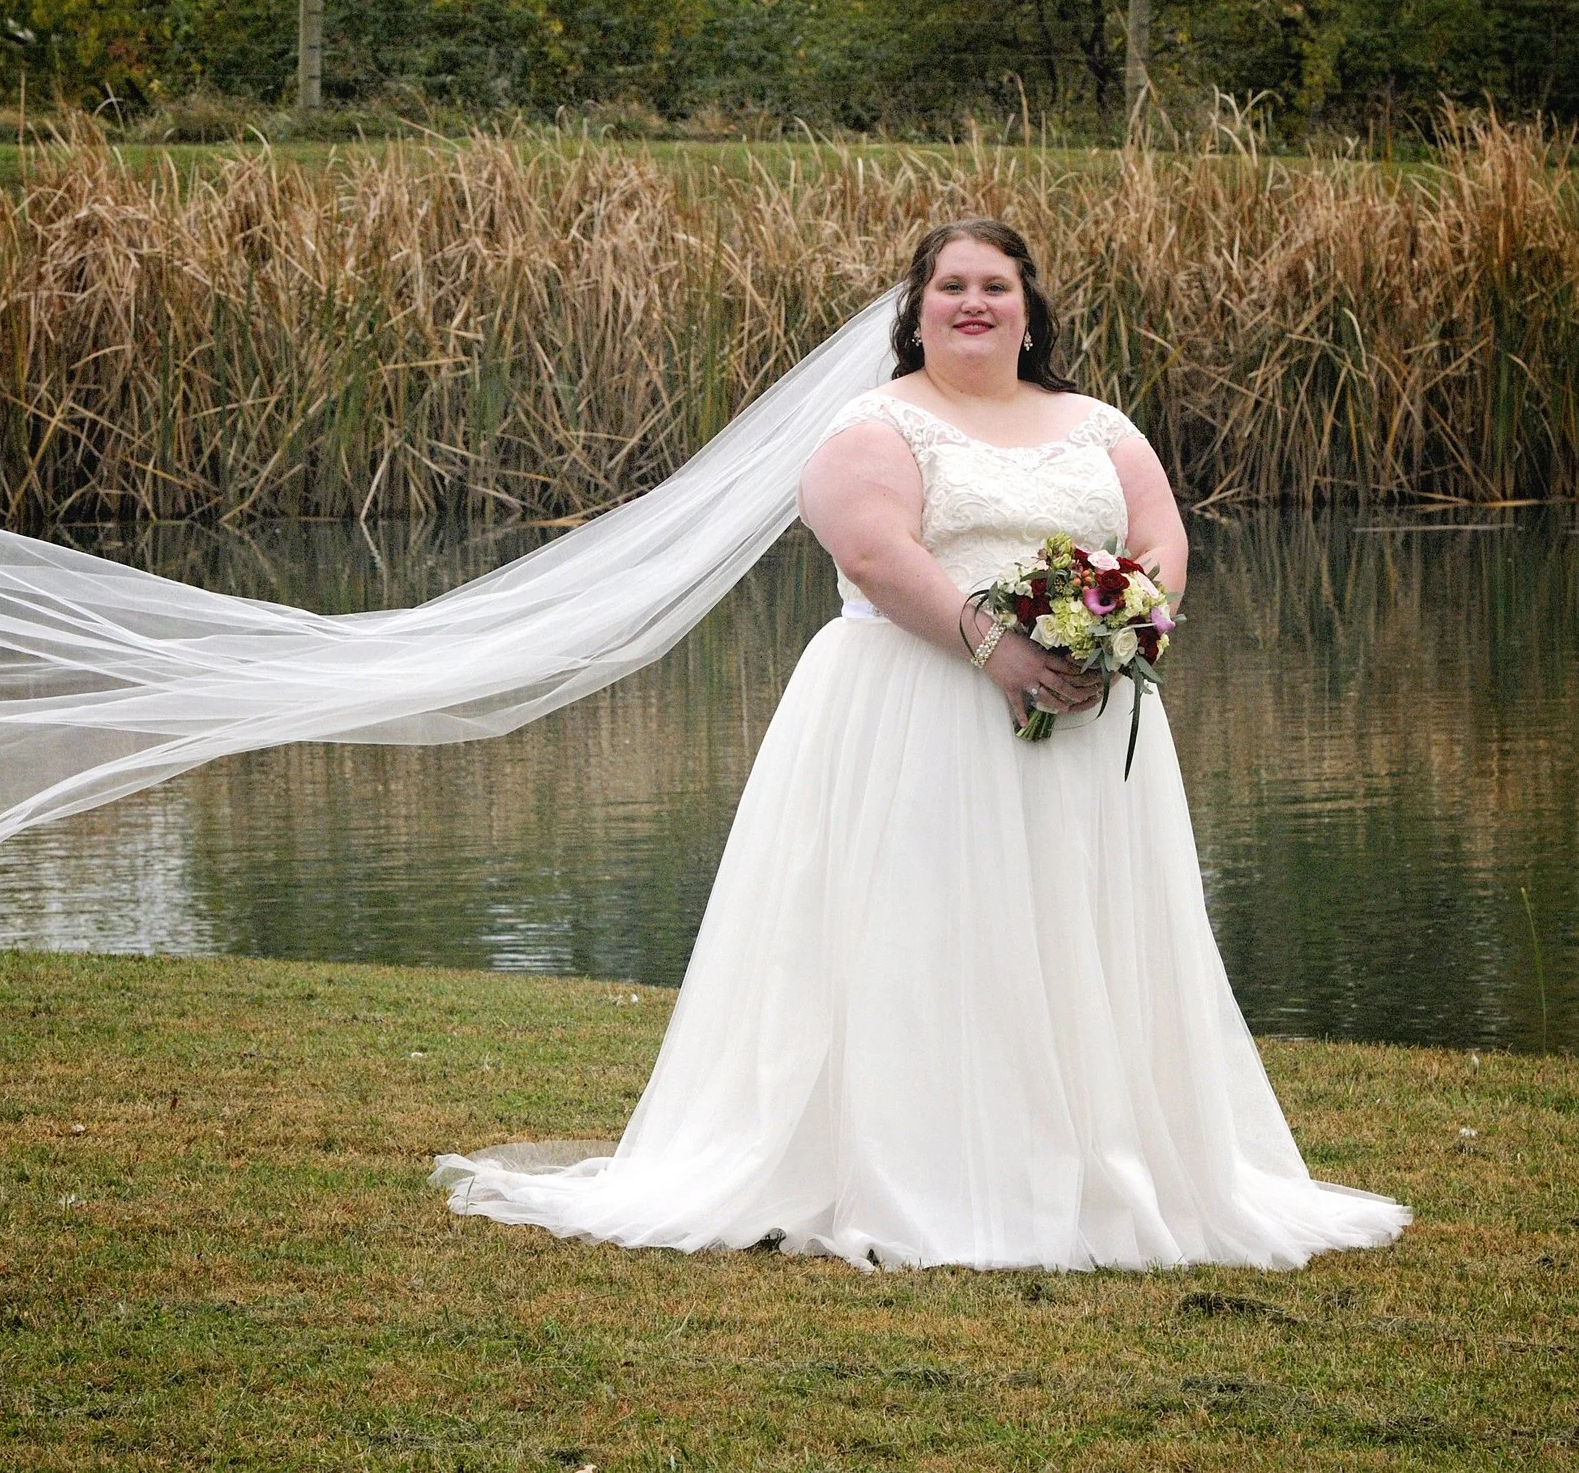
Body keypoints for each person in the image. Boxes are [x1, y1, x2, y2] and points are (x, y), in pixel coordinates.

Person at [432, 220, 1413, 1271]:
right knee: (925, 933)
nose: (973, 302)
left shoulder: (1096, 423)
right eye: (950, 285)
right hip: (918, 711)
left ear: (1030, 309)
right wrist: (995, 647)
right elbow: (873, 549)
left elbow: (1159, 534)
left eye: (995, 284)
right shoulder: (877, 424)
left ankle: (1093, 1161)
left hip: (1086, 721)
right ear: (916, 308)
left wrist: (1123, 622)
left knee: (1078, 932)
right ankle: (918, 1169)